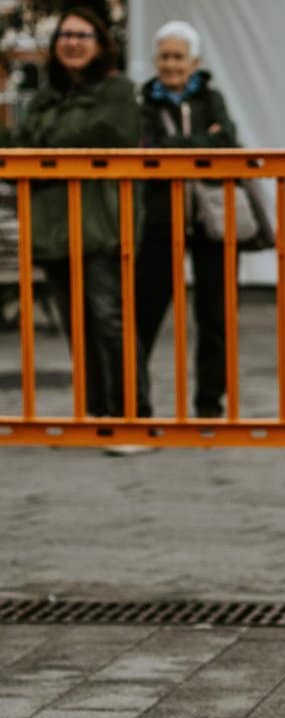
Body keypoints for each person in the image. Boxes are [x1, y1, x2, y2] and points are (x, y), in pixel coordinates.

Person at [3, 8, 140, 423]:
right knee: (77, 327)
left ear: (99, 44)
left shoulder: (116, 91)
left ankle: (130, 412)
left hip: (99, 226)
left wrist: (47, 143)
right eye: (65, 35)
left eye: (82, 35)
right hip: (53, 229)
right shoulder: (46, 97)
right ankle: (95, 413)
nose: (73, 41)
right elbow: (19, 144)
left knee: (110, 322)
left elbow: (111, 133)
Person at [134, 19, 239, 420]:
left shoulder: (212, 99)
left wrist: (176, 149)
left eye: (178, 56)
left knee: (215, 315)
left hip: (210, 218)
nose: (171, 64)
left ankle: (209, 405)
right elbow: (148, 148)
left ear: (193, 62)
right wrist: (201, 145)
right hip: (161, 219)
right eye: (164, 56)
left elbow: (226, 141)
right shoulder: (144, 104)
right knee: (146, 313)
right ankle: (137, 402)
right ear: (155, 61)